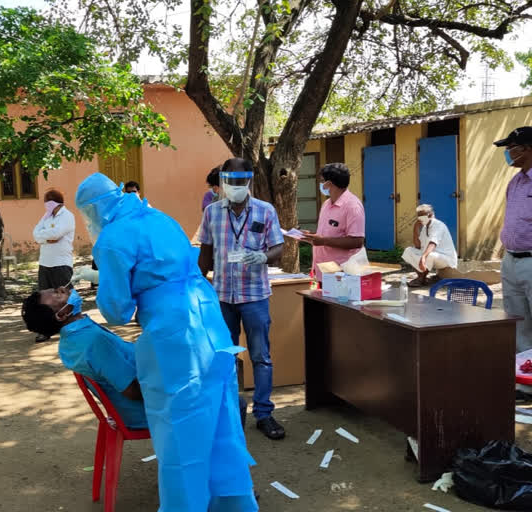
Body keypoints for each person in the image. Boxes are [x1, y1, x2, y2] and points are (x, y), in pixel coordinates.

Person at [76, 172, 257, 512]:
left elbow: (116, 310)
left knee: (181, 431)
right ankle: (233, 505)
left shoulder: (112, 238)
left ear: (93, 210)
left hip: (175, 335)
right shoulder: (159, 217)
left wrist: (102, 282)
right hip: (209, 321)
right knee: (221, 422)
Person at [199, 157, 286, 441]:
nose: (235, 187)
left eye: (240, 182)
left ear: (248, 181)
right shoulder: (212, 212)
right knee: (226, 356)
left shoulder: (265, 210)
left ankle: (264, 413)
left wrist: (263, 256)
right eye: (230, 182)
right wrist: (198, 286)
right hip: (222, 296)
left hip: (255, 295)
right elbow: (205, 253)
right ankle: (231, 410)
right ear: (223, 182)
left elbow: (278, 247)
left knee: (261, 356)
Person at [22, 286, 148, 429]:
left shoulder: (72, 339)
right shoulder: (93, 340)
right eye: (57, 294)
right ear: (63, 314)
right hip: (147, 413)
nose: (63, 288)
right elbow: (134, 392)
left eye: (57, 289)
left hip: (127, 412)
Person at [495, 127, 532, 353]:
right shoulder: (515, 182)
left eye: (511, 149)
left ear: (527, 149)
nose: (507, 154)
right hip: (511, 261)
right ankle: (525, 384)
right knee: (519, 323)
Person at [302, 162, 365, 281]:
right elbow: (328, 234)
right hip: (322, 272)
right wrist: (310, 236)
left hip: (342, 274)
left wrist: (323, 241)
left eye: (321, 181)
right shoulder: (326, 204)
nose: (320, 184)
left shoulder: (352, 206)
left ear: (329, 184)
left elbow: (357, 241)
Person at [32, 189, 75, 342]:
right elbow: (35, 233)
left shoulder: (67, 216)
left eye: (47, 202)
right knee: (44, 298)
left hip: (61, 263)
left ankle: (71, 327)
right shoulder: (47, 217)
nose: (45, 206)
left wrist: (46, 236)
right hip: (45, 263)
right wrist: (45, 238)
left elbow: (56, 234)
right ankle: (45, 329)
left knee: (66, 296)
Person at [402, 204, 457, 286]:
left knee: (429, 255)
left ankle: (421, 279)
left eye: (422, 217)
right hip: (434, 257)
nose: (420, 219)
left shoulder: (438, 225)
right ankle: (422, 277)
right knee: (408, 250)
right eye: (418, 217)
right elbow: (418, 246)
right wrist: (415, 228)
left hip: (446, 260)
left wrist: (423, 257)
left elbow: (433, 243)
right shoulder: (425, 227)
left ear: (430, 215)